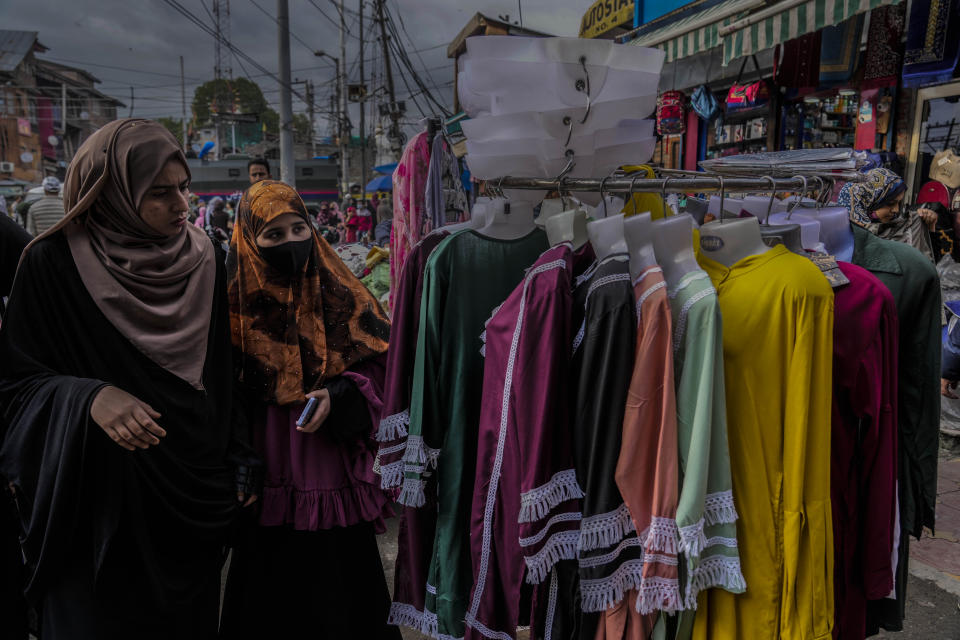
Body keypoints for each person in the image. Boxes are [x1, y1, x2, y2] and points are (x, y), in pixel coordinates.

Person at [0, 119, 258, 639]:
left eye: (184, 187)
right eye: (159, 193)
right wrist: (85, 397)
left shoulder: (207, 257)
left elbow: (226, 374)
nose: (182, 205)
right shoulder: (51, 263)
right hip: (94, 508)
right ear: (110, 192)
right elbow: (13, 385)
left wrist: (238, 452)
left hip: (189, 503)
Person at [218, 180, 397, 639]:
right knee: (270, 596)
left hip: (327, 472)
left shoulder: (342, 291)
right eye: (273, 236)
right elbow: (217, 391)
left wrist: (340, 395)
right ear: (249, 241)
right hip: (266, 474)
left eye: (299, 229)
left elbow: (385, 367)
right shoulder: (229, 308)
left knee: (343, 593)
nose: (291, 243)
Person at [838, 168, 935, 260]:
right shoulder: (842, 239)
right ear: (868, 203)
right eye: (890, 204)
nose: (896, 210)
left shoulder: (902, 226)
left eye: (899, 203)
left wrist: (930, 225)